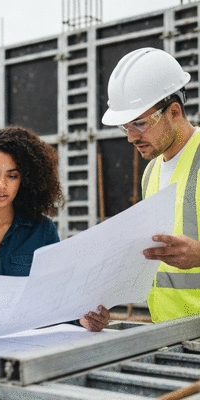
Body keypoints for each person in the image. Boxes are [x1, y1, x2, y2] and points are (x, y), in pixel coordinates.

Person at [0, 126, 110, 332]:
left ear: (24, 180)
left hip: (26, 348)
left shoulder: (42, 231)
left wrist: (83, 319)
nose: (1, 185)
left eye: (12, 176)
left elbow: (58, 299)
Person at [102, 47, 200, 322]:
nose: (131, 137)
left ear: (174, 112)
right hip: (169, 336)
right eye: (126, 127)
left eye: (140, 124)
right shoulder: (152, 172)